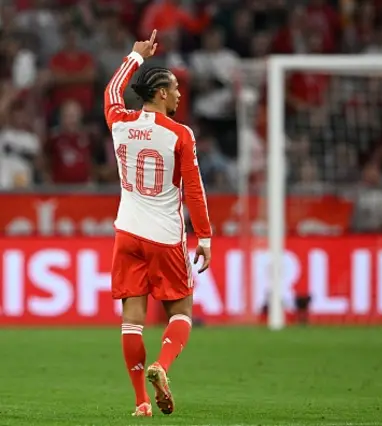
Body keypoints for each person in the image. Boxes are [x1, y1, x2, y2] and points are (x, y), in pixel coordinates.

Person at [103, 30, 212, 417]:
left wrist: (134, 56)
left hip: (127, 231)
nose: (180, 94)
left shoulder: (119, 123)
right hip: (165, 235)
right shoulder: (181, 134)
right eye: (176, 87)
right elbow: (195, 191)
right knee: (181, 310)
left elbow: (111, 93)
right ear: (162, 93)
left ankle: (141, 403)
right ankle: (161, 367)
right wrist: (205, 236)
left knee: (132, 319)